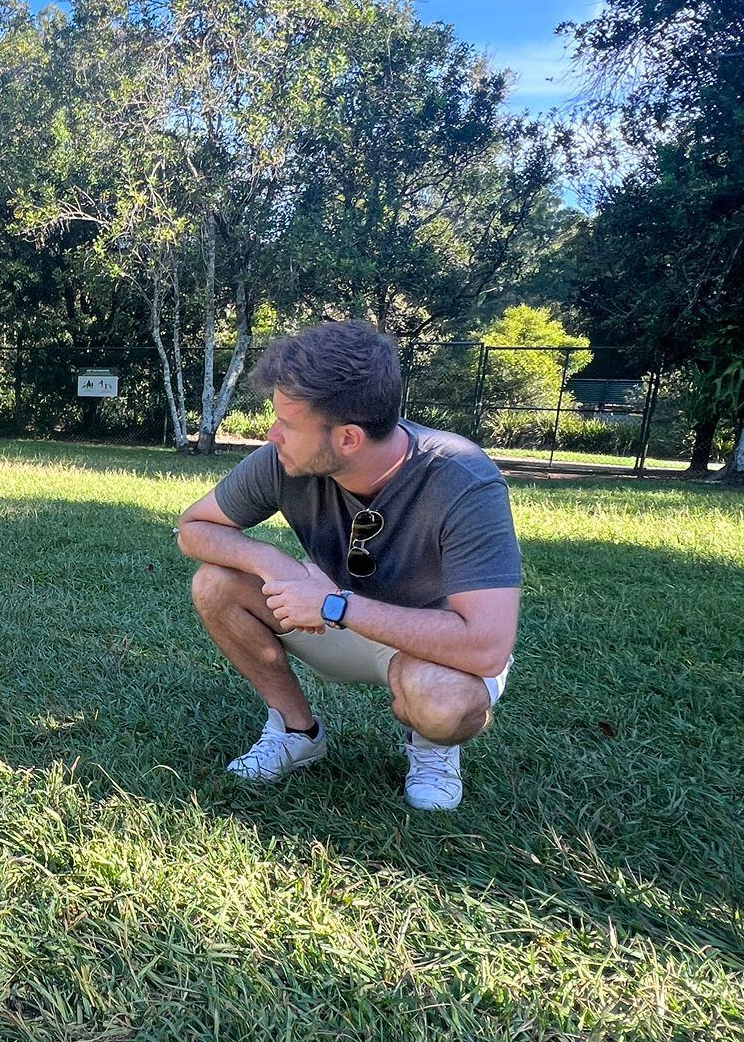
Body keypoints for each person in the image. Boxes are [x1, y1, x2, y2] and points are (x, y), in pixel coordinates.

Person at [176, 321, 521, 811]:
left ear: (349, 438)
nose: (272, 434)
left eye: (288, 424)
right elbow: (194, 528)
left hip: (433, 648)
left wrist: (336, 606)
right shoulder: (283, 460)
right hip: (328, 618)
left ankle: (432, 751)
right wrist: (269, 559)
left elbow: (486, 646)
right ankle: (297, 732)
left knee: (445, 706)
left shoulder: (463, 478)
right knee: (216, 582)